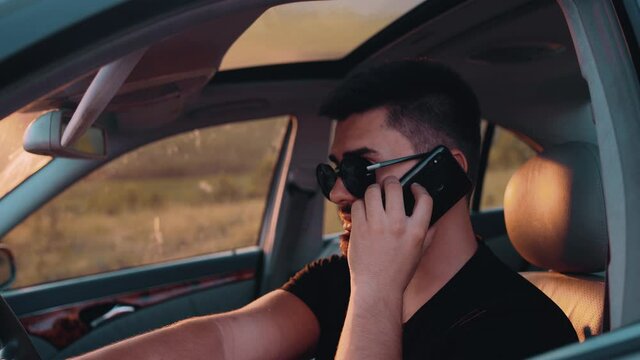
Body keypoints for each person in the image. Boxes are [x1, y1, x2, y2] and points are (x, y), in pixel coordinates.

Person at [77, 59, 577, 360]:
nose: (338, 194)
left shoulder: (519, 328)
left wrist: (377, 291)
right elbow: (224, 342)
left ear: (445, 173)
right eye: (332, 173)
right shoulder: (339, 278)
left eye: (362, 170)